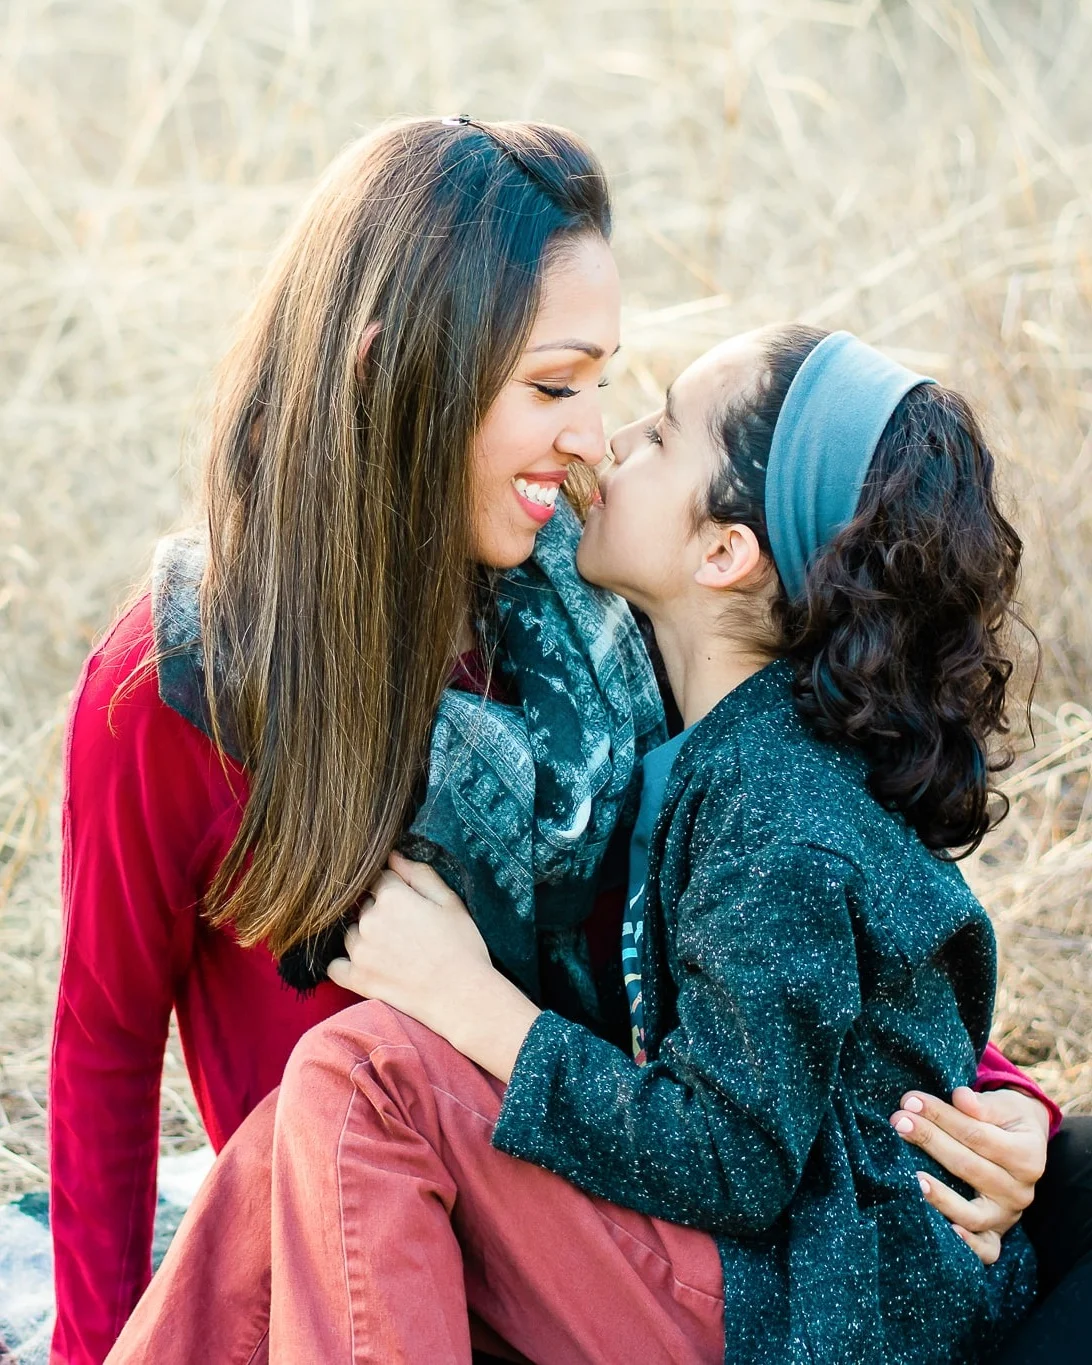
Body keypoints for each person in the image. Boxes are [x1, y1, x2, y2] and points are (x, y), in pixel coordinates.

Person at [55, 115, 1061, 1363]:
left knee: (363, 1072)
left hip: (606, 1245)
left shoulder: (606, 621)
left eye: (606, 385)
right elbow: (103, 1049)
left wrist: (1000, 1105)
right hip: (360, 1271)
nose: (593, 437)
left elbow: (808, 930)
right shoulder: (176, 688)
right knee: (328, 1103)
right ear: (394, 371)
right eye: (553, 387)